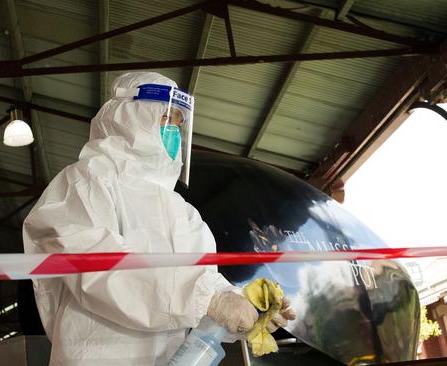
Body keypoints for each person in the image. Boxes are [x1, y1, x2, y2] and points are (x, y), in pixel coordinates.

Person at [23, 72, 293, 365]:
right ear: (129, 117)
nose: (173, 132)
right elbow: (95, 265)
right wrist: (208, 299)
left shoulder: (183, 213)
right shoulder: (86, 181)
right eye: (166, 120)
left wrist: (246, 307)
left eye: (178, 124)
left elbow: (203, 290)